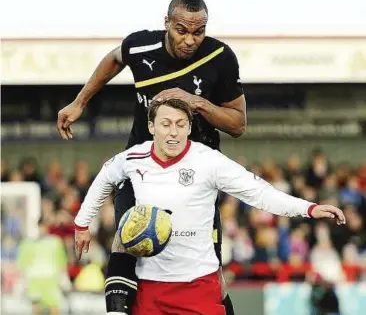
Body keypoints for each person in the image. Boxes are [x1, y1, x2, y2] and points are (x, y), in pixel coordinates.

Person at [57, 0, 245, 315]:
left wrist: (196, 102)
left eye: (198, 32)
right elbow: (115, 59)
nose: (189, 40)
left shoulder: (220, 58)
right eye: (181, 30)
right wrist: (80, 101)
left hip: (193, 179)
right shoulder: (141, 46)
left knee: (211, 273)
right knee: (126, 238)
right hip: (143, 169)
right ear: (167, 24)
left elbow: (238, 123)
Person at [74, 99, 346, 315]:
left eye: (181, 124)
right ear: (151, 126)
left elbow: (259, 192)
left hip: (199, 285)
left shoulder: (209, 161)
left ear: (189, 128)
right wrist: (82, 224)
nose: (173, 131)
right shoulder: (133, 158)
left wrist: (309, 209)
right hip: (149, 286)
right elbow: (104, 179)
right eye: (166, 123)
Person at [17, 218, 70, 315]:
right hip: (34, 280)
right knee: (37, 309)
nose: (42, 229)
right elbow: (22, 263)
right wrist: (21, 281)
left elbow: (61, 261)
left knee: (54, 308)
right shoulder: (27, 243)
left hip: (51, 280)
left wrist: (64, 278)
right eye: (41, 226)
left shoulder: (55, 242)